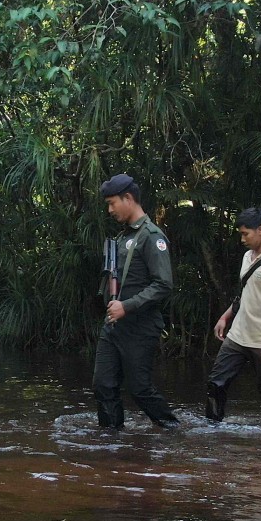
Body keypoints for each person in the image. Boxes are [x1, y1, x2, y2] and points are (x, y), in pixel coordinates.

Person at [93, 173, 179, 430]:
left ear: (128, 198)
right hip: (113, 326)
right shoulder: (121, 238)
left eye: (112, 203)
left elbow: (164, 284)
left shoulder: (152, 237)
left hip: (140, 327)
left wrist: (126, 306)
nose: (109, 210)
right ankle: (111, 441)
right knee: (103, 384)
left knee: (139, 389)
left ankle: (172, 428)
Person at [205, 207, 261, 425]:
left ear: (260, 230)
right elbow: (245, 293)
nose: (242, 239)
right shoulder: (247, 257)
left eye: (245, 234)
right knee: (216, 383)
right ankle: (211, 431)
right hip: (237, 336)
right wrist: (225, 317)